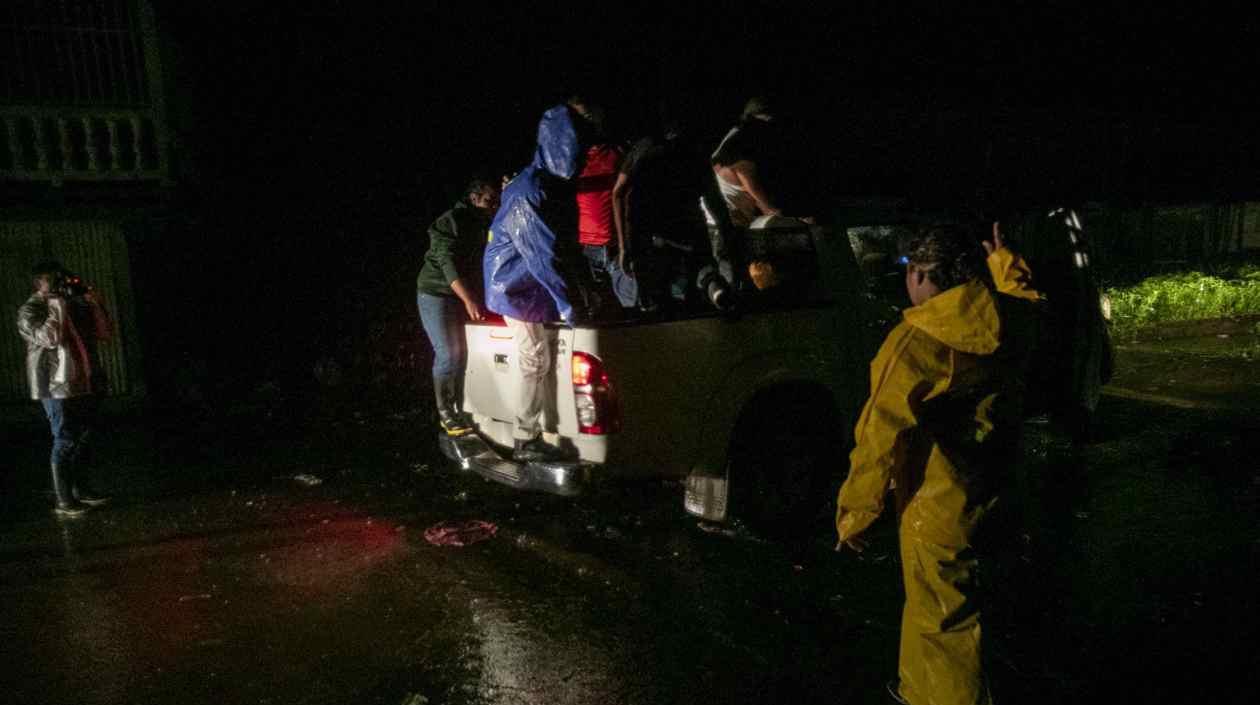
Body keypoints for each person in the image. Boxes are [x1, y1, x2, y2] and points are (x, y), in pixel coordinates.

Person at [833, 224, 1039, 705]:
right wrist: (1005, 264)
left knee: (943, 618)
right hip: (992, 487)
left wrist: (857, 510)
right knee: (959, 605)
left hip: (935, 505)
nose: (907, 282)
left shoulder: (915, 340)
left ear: (924, 275)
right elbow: (1028, 302)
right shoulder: (1008, 319)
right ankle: (915, 689)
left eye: (910, 271)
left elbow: (879, 432)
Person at [483, 103, 583, 462]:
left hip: (520, 284)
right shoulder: (530, 192)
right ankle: (526, 438)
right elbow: (544, 255)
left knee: (534, 354)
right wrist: (569, 303)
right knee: (533, 356)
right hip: (514, 287)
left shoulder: (541, 183)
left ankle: (531, 429)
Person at [613, 102, 736, 312]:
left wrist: (624, 247)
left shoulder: (642, 149)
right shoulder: (695, 153)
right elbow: (714, 201)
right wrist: (727, 235)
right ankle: (714, 289)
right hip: (691, 231)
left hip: (652, 236)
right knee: (700, 284)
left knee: (657, 304)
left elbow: (618, 193)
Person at [16, 261, 115, 518]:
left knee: (84, 436)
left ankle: (81, 490)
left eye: (63, 279)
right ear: (40, 283)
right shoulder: (30, 310)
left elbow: (105, 334)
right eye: (54, 280)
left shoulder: (75, 305)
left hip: (86, 381)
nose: (61, 284)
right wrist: (56, 306)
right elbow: (49, 339)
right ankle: (64, 499)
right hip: (55, 386)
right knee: (65, 438)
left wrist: (95, 304)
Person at [416, 176, 501, 436]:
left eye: (496, 202)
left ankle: (463, 408)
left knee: (466, 353)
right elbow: (447, 264)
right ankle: (446, 415)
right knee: (448, 353)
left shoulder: (484, 221)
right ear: (474, 198)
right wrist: (469, 299)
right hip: (436, 293)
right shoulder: (450, 221)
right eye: (489, 201)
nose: (493, 207)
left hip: (462, 294)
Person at [569, 98, 636, 313]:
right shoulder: (569, 159)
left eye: (589, 116)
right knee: (598, 316)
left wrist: (627, 245)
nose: (586, 123)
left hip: (617, 248)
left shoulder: (620, 151)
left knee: (630, 311)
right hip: (587, 250)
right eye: (580, 118)